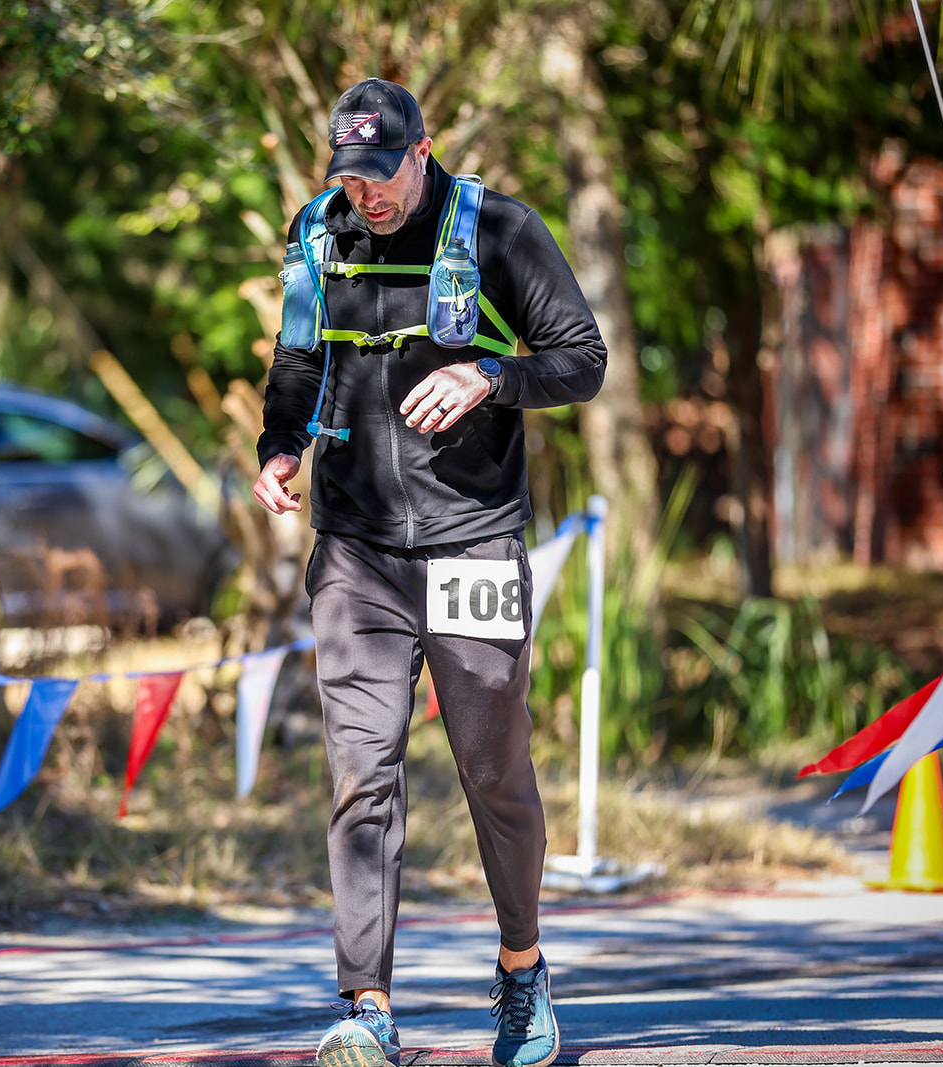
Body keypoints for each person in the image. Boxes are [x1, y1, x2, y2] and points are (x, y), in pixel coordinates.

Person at [252, 78, 607, 1067]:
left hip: (473, 543)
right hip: (355, 547)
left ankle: (522, 967)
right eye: (349, 176)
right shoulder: (318, 233)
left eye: (380, 173)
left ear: (422, 152)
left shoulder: (499, 231)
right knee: (360, 772)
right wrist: (279, 446)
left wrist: (492, 373)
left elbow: (582, 358)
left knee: (493, 770)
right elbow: (296, 355)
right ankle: (366, 1007)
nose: (365, 193)